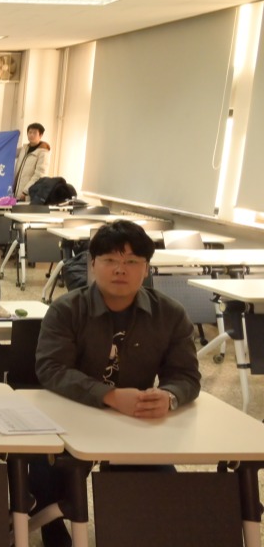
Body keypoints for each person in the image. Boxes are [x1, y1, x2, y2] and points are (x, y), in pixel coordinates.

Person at [32, 220, 201, 547]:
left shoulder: (170, 314)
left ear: (146, 268)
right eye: (110, 260)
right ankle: (52, 525)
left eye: (132, 261)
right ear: (93, 264)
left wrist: (169, 396)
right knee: (47, 473)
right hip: (69, 416)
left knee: (165, 497)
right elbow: (51, 368)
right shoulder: (67, 309)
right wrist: (109, 395)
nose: (120, 269)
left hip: (133, 423)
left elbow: (186, 376)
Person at [13, 122, 50, 201]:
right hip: (16, 193)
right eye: (30, 132)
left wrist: (25, 191)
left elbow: (39, 175)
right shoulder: (24, 149)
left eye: (34, 133)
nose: (31, 135)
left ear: (40, 135)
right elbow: (10, 153)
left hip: (27, 195)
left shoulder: (43, 153)